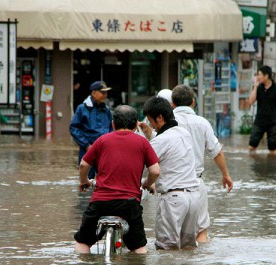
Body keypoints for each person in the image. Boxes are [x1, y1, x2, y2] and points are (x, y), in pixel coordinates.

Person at [74, 105, 161, 254]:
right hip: (129, 204)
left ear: (113, 124)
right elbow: (155, 171)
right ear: (135, 125)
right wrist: (147, 184)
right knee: (139, 248)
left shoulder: (102, 140)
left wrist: (84, 181)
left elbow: (83, 165)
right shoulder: (143, 143)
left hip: (100, 203)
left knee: (83, 242)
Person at [171, 84, 234, 243]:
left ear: (172, 104)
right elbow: (216, 152)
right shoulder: (202, 123)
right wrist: (226, 175)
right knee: (201, 232)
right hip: (196, 183)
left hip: (171, 185)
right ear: (193, 102)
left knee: (171, 237)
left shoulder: (167, 122)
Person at [141, 97, 201, 250]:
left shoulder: (160, 141)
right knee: (189, 248)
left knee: (166, 249)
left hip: (173, 199)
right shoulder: (184, 133)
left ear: (160, 117)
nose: (151, 126)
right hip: (194, 197)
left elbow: (147, 167)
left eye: (150, 121)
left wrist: (147, 183)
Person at [70, 81, 113, 179]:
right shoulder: (82, 109)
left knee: (105, 178)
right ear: (93, 93)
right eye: (102, 92)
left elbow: (111, 128)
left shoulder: (106, 110)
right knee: (86, 179)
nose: (105, 95)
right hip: (87, 149)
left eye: (106, 93)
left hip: (104, 151)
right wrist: (86, 145)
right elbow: (74, 128)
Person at [248, 65, 276, 155]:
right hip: (260, 121)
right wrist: (255, 87)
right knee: (252, 145)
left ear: (266, 76)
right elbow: (251, 101)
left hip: (273, 121)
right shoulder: (259, 88)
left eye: (259, 75)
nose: (258, 77)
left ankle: (273, 166)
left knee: (272, 147)